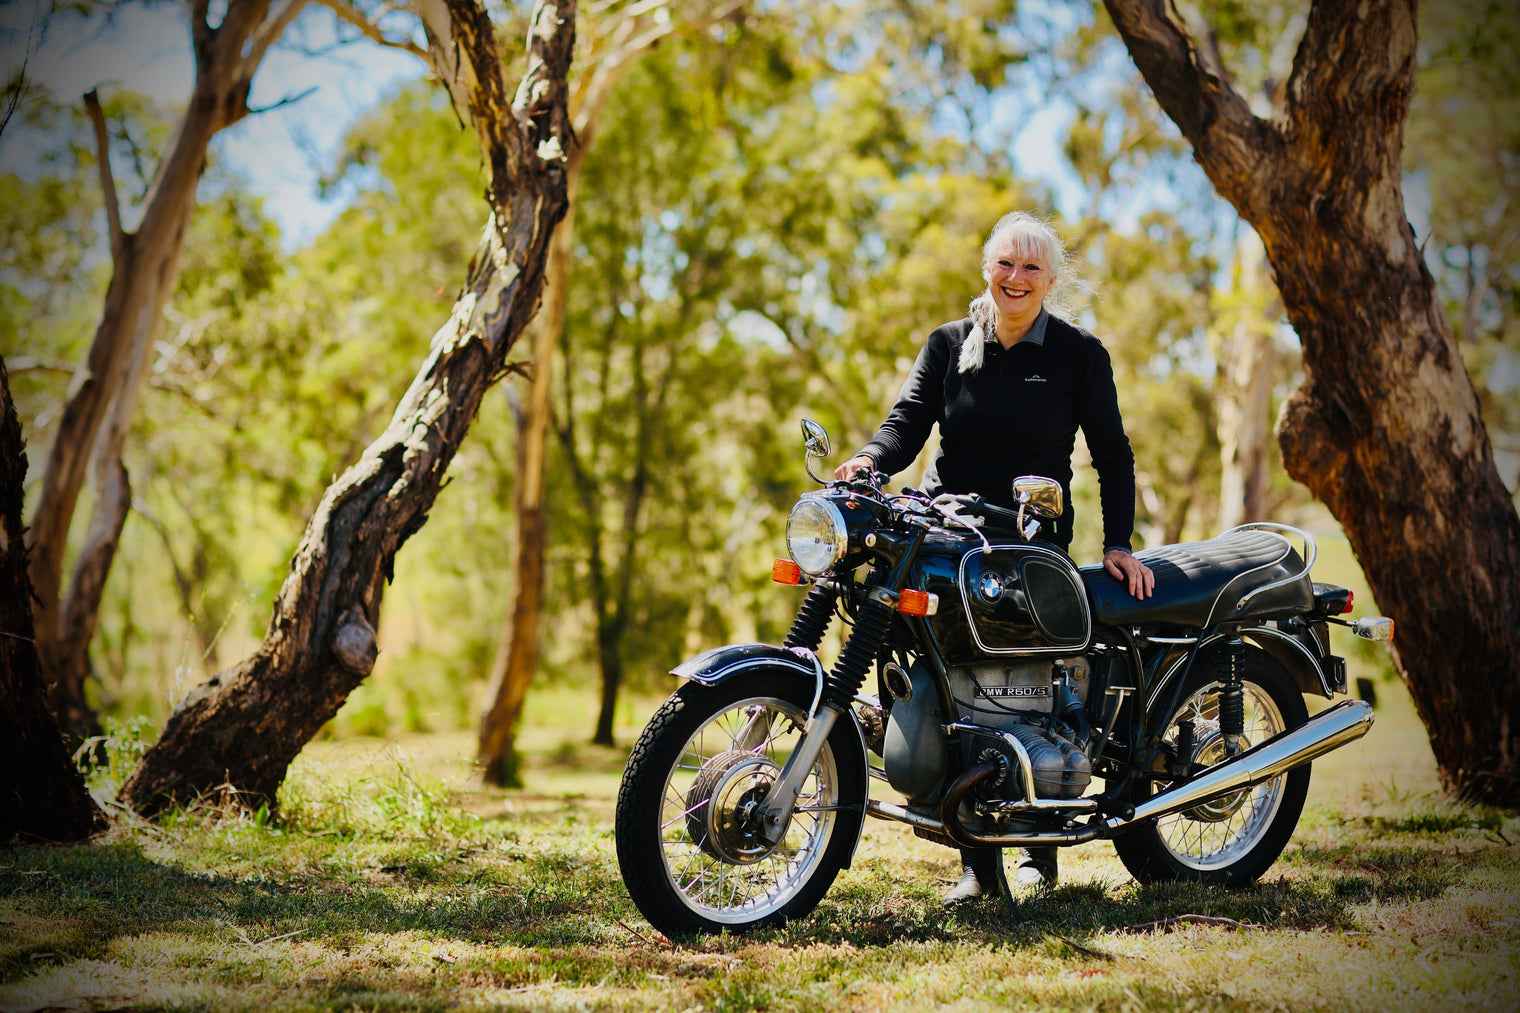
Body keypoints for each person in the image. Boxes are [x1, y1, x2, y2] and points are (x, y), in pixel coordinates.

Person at [834, 211, 1154, 904]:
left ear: (1051, 280)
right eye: (1005, 262)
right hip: (945, 529)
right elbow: (906, 422)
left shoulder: (1078, 354)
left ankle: (1024, 851)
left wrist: (1119, 544)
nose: (1016, 277)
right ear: (987, 268)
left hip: (1027, 541)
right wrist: (868, 461)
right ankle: (974, 851)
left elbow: (1112, 454)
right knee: (930, 665)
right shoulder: (949, 343)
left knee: (1015, 686)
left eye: (1031, 267)